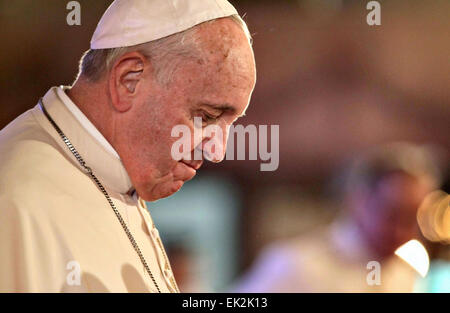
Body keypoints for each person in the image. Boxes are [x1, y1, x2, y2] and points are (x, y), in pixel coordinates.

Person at [0, 0, 256, 292]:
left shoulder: (113, 175)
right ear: (129, 80)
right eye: (206, 117)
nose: (217, 151)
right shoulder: (16, 200)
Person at [233, 143, 441, 292]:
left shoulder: (405, 274)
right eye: (392, 214)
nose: (402, 232)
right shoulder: (294, 265)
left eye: (412, 219)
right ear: (358, 200)